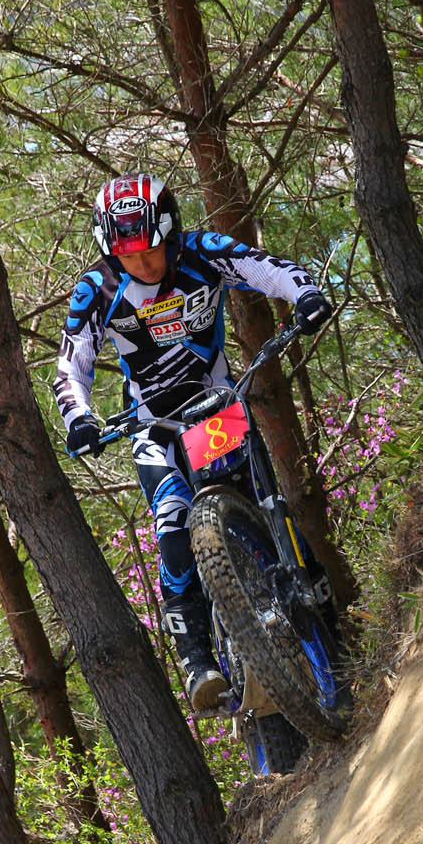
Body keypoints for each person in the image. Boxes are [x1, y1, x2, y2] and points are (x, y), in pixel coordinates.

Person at [53, 172, 332, 713]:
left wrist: (305, 293)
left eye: (151, 250)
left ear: (172, 232)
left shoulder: (202, 251)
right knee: (173, 520)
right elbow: (71, 365)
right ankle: (198, 660)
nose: (142, 264)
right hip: (153, 425)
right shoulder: (98, 288)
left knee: (258, 494)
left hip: (215, 405)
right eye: (128, 256)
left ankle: (316, 599)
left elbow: (265, 267)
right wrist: (79, 418)